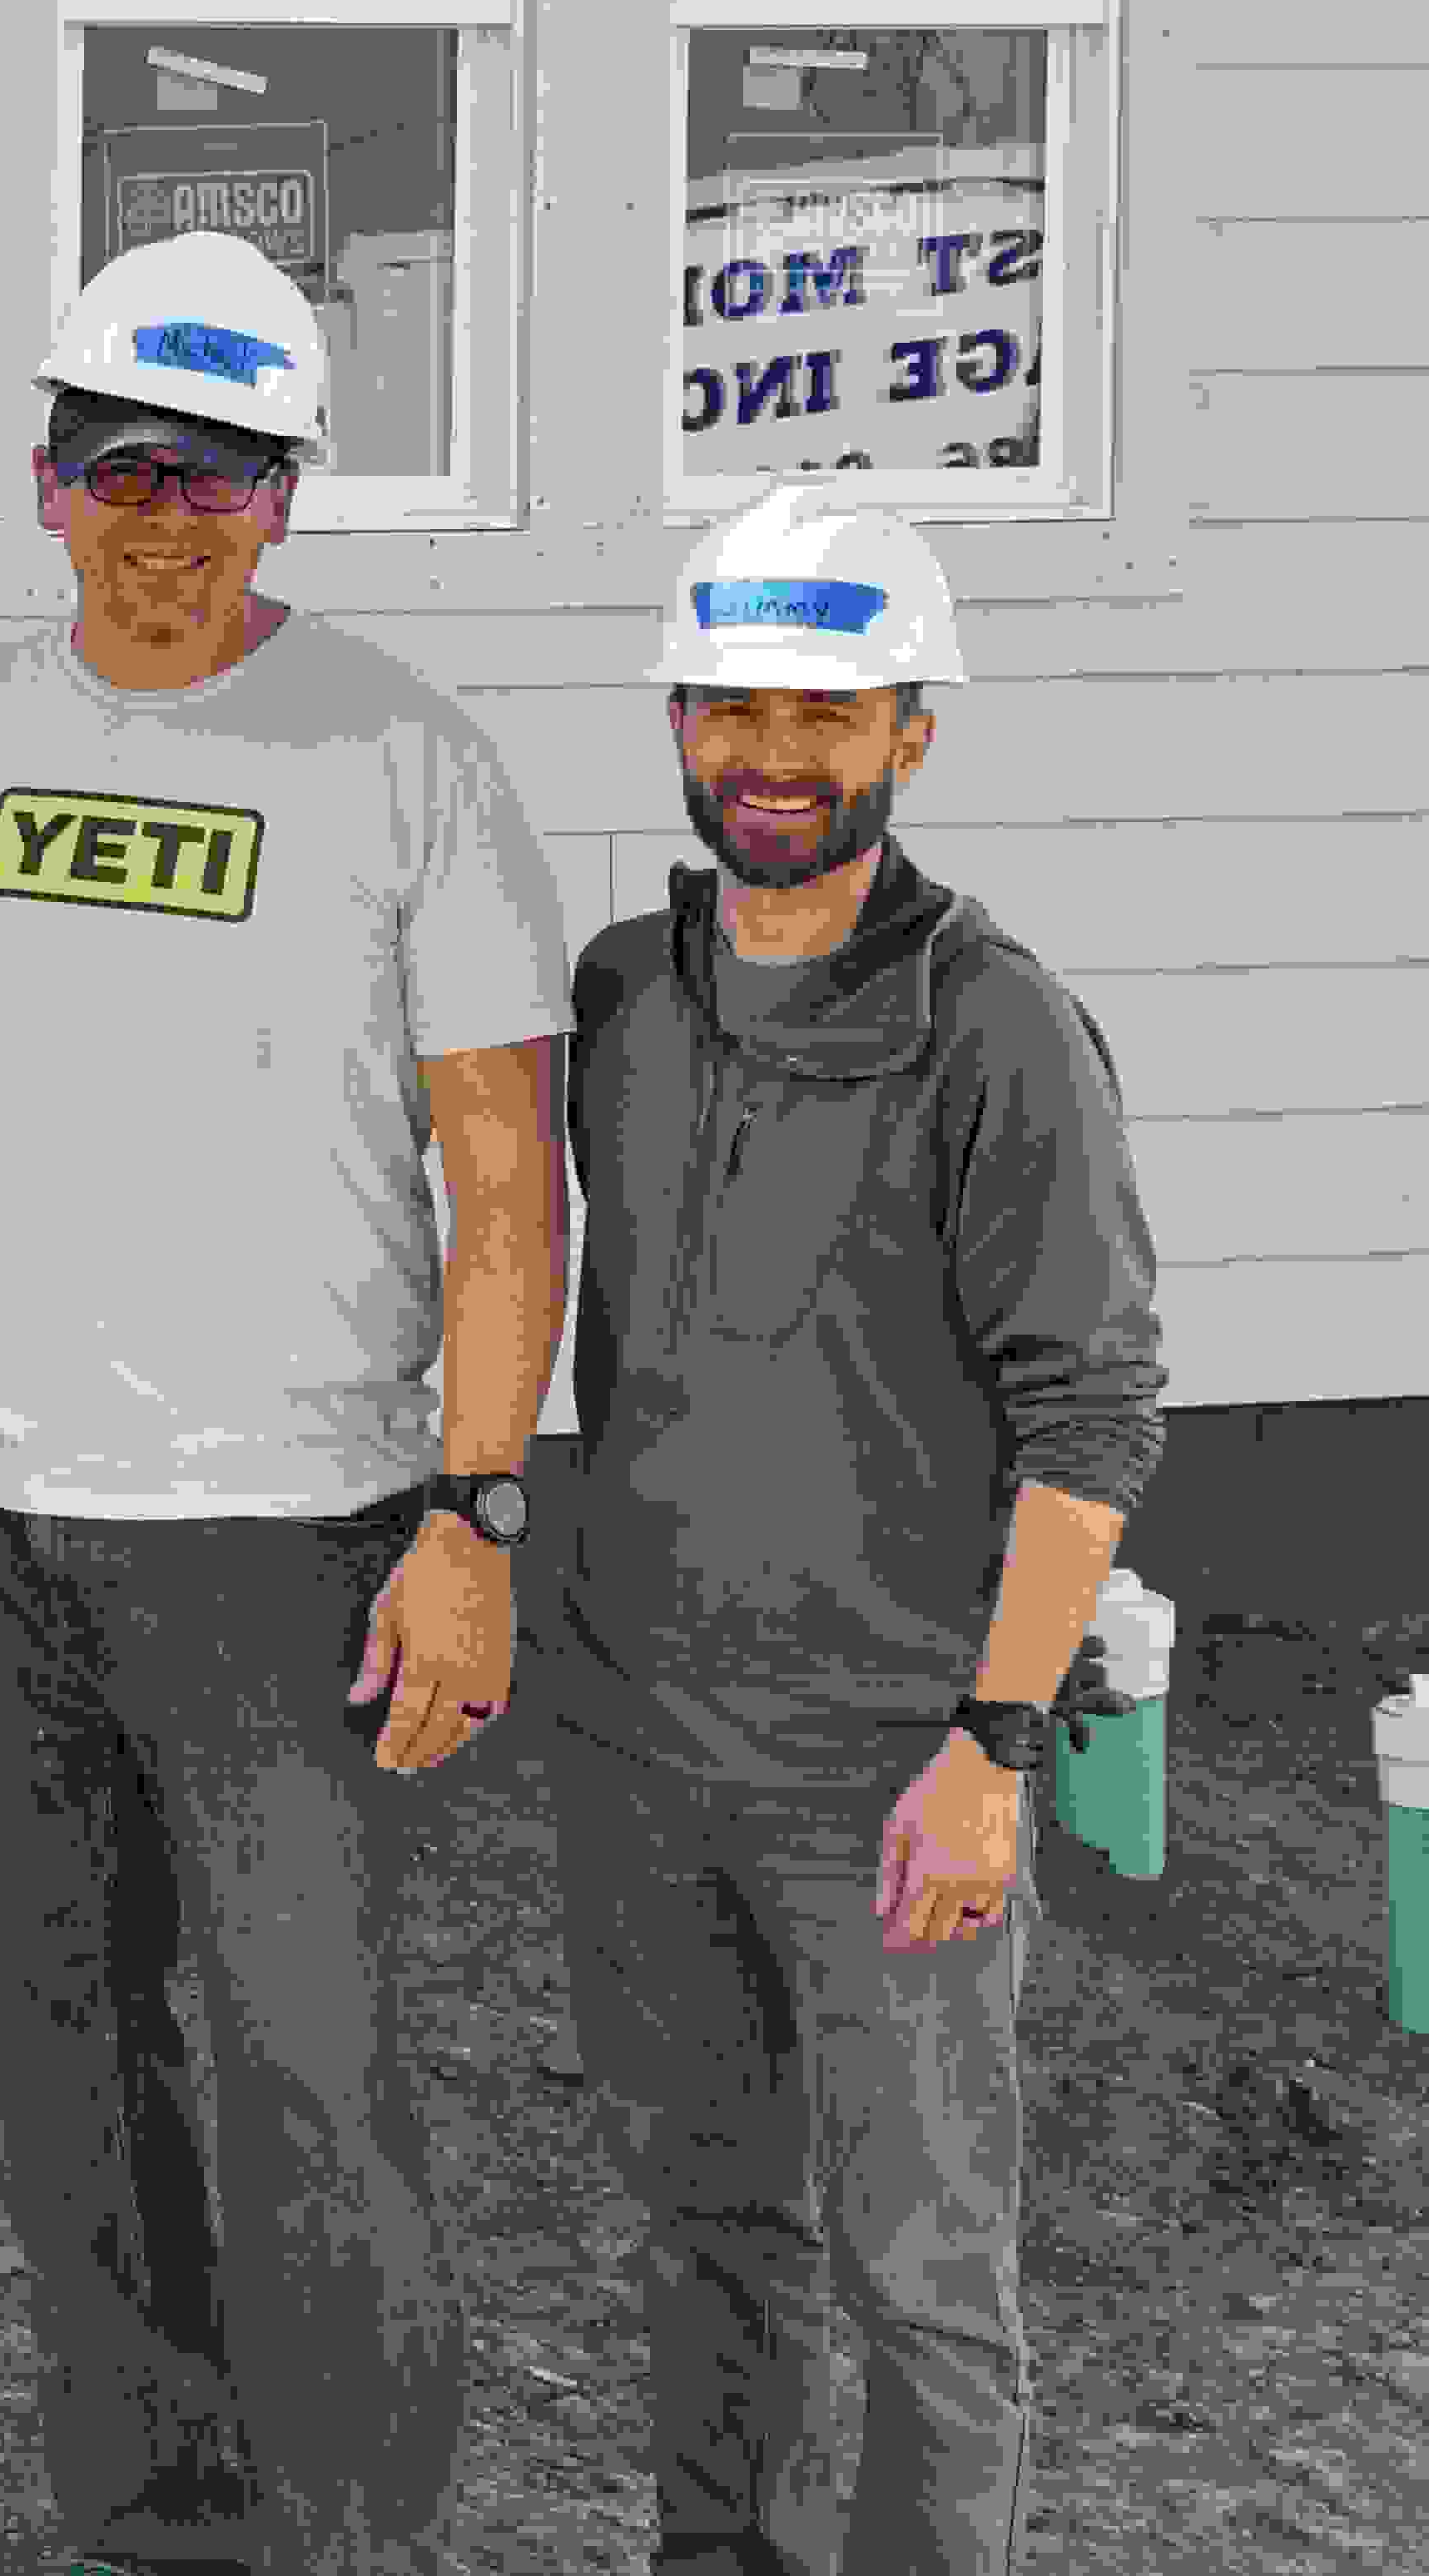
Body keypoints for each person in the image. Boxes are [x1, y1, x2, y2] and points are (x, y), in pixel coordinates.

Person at [0, 229, 574, 2576]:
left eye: (224, 468)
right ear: (46, 479)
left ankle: (354, 2531)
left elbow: (503, 1171)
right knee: (49, 2050)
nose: (168, 508)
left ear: (287, 499)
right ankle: (160, 2507)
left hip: (293, 1533)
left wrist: (476, 1514)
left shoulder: (405, 759)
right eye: (125, 458)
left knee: (310, 2074)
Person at [542, 486, 1166, 2576]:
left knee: (923, 2276)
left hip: (888, 1764)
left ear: (915, 731)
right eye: (733, 706)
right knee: (705, 2230)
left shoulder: (998, 1028)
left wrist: (994, 1747)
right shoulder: (624, 992)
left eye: (829, 711)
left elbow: (1092, 1409)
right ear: (681, 721)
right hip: (640, 1743)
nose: (773, 756)